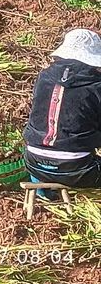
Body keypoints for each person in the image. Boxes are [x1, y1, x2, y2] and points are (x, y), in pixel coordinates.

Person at [23, 29, 101, 191]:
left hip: (33, 163)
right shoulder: (96, 85)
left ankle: (44, 190)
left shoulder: (44, 77)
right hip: (76, 170)